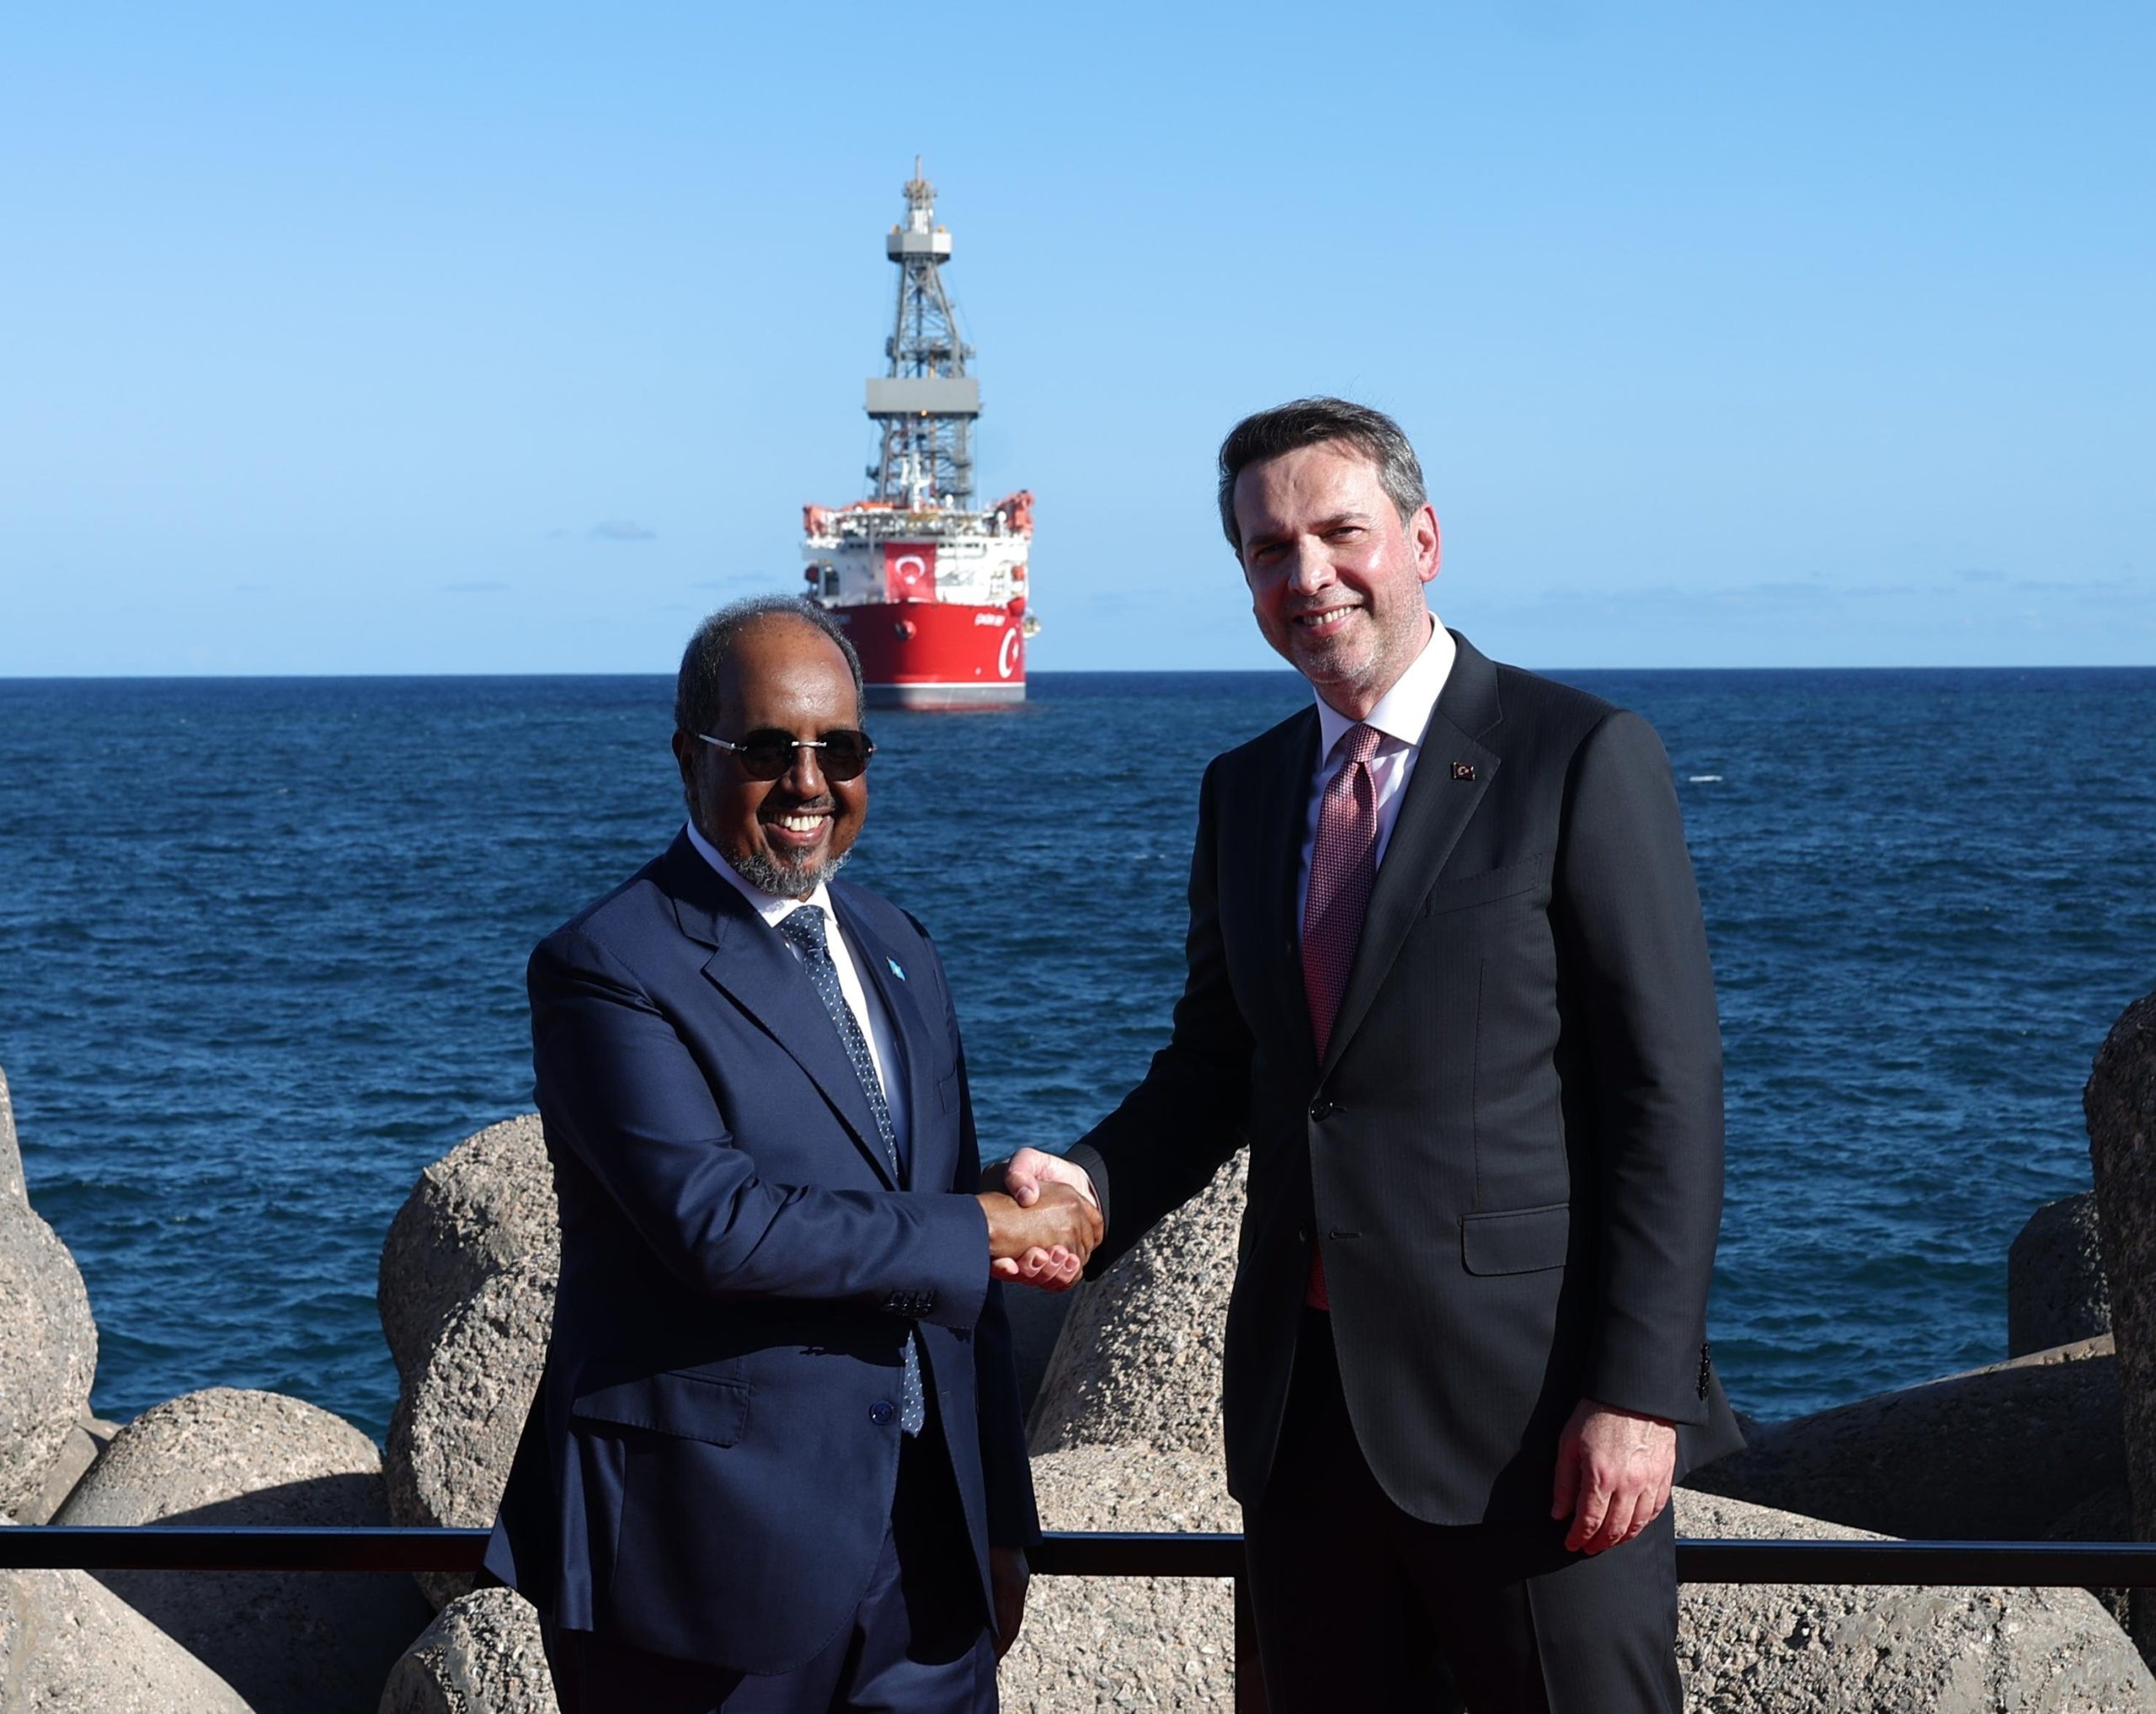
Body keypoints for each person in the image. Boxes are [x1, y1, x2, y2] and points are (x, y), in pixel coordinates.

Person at [1001, 398, 1742, 1712]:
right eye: (1268, 550)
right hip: (1305, 1429)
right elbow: (1217, 1066)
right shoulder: (1245, 790)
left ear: (1423, 539)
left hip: (1535, 1427)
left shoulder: (1577, 756)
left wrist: (1639, 1397)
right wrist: (1091, 1190)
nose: (1308, 574)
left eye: (1340, 533)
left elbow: (1666, 1096)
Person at [485, 595, 1101, 1713]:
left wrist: (1001, 1523)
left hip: (929, 1565)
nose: (809, 784)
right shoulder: (607, 966)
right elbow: (719, 1227)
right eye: (768, 750)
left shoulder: (900, 943)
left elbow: (951, 1262)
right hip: (703, 1566)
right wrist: (988, 1226)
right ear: (690, 757)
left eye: (841, 750)